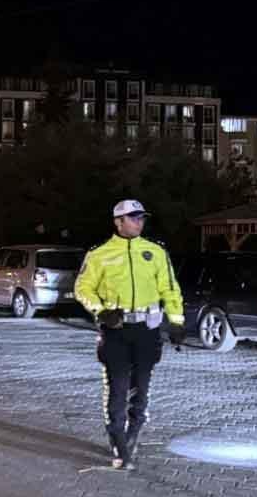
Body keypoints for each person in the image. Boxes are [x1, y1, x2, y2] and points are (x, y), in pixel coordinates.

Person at [74, 199, 184, 471]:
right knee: (117, 389)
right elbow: (83, 288)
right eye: (133, 218)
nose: (139, 222)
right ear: (118, 221)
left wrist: (177, 321)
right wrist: (101, 312)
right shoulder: (99, 254)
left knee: (141, 388)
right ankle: (118, 441)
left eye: (141, 218)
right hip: (116, 331)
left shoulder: (155, 252)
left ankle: (134, 432)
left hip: (147, 331)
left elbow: (170, 289)